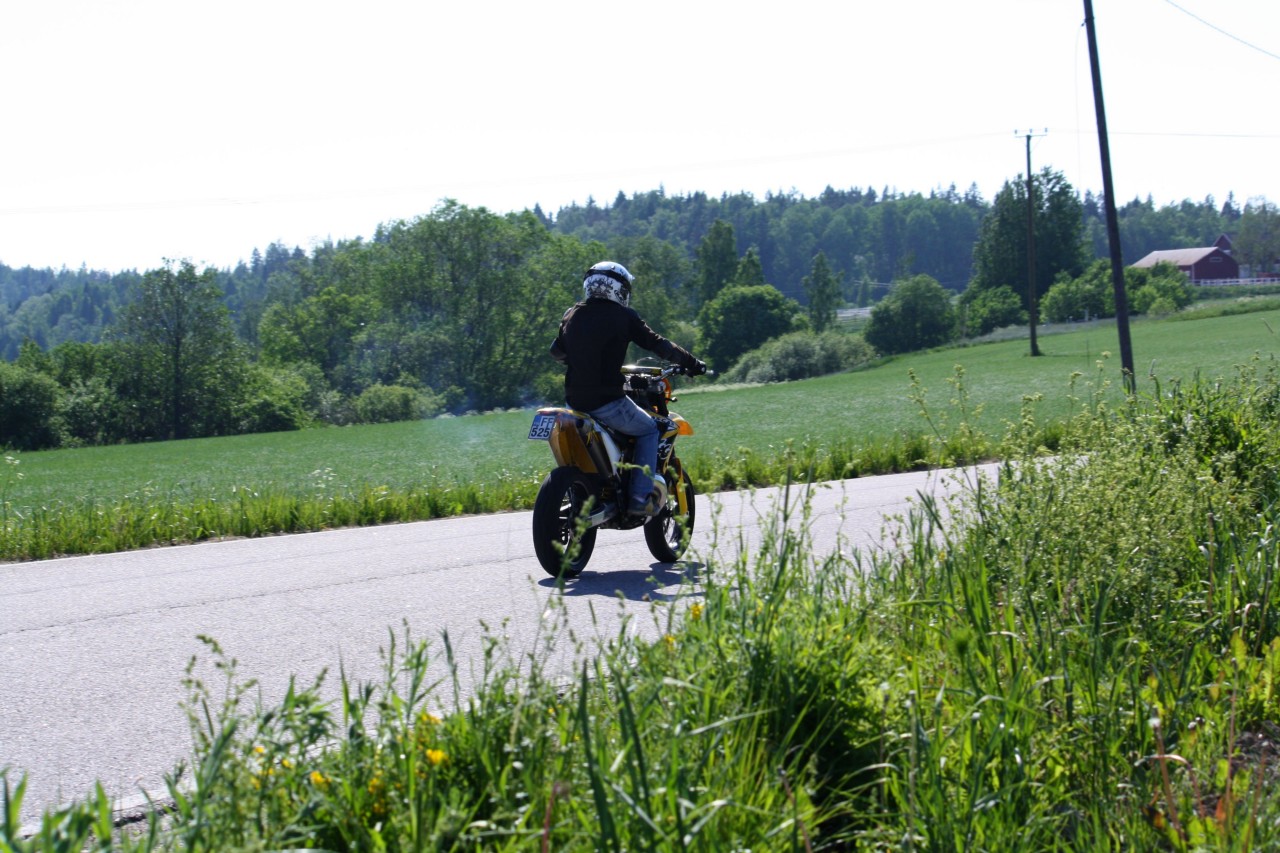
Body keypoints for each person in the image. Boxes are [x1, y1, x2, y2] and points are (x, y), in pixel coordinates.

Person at [550, 261, 706, 517]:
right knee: (649, 429)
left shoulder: (572, 314)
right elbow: (658, 344)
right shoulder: (623, 316)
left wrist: (584, 358)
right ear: (617, 289)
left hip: (573, 402)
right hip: (606, 402)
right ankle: (638, 498)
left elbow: (557, 352)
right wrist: (691, 363)